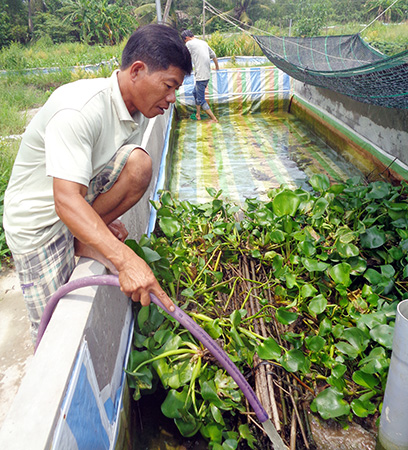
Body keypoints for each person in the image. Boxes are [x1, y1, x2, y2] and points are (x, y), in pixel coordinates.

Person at [3, 24, 192, 342]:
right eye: (168, 86)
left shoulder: (140, 110)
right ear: (137, 71)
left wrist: (102, 224)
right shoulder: (79, 110)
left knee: (139, 164)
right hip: (39, 225)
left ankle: (85, 236)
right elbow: (65, 200)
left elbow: (109, 169)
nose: (172, 99)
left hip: (71, 200)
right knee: (54, 332)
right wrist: (124, 258)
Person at [181, 30, 219, 123]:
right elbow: (213, 55)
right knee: (195, 92)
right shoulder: (203, 42)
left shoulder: (189, 44)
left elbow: (184, 57)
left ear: (186, 38)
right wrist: (217, 67)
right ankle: (198, 114)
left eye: (184, 41)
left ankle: (214, 119)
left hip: (201, 76)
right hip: (206, 75)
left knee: (201, 99)